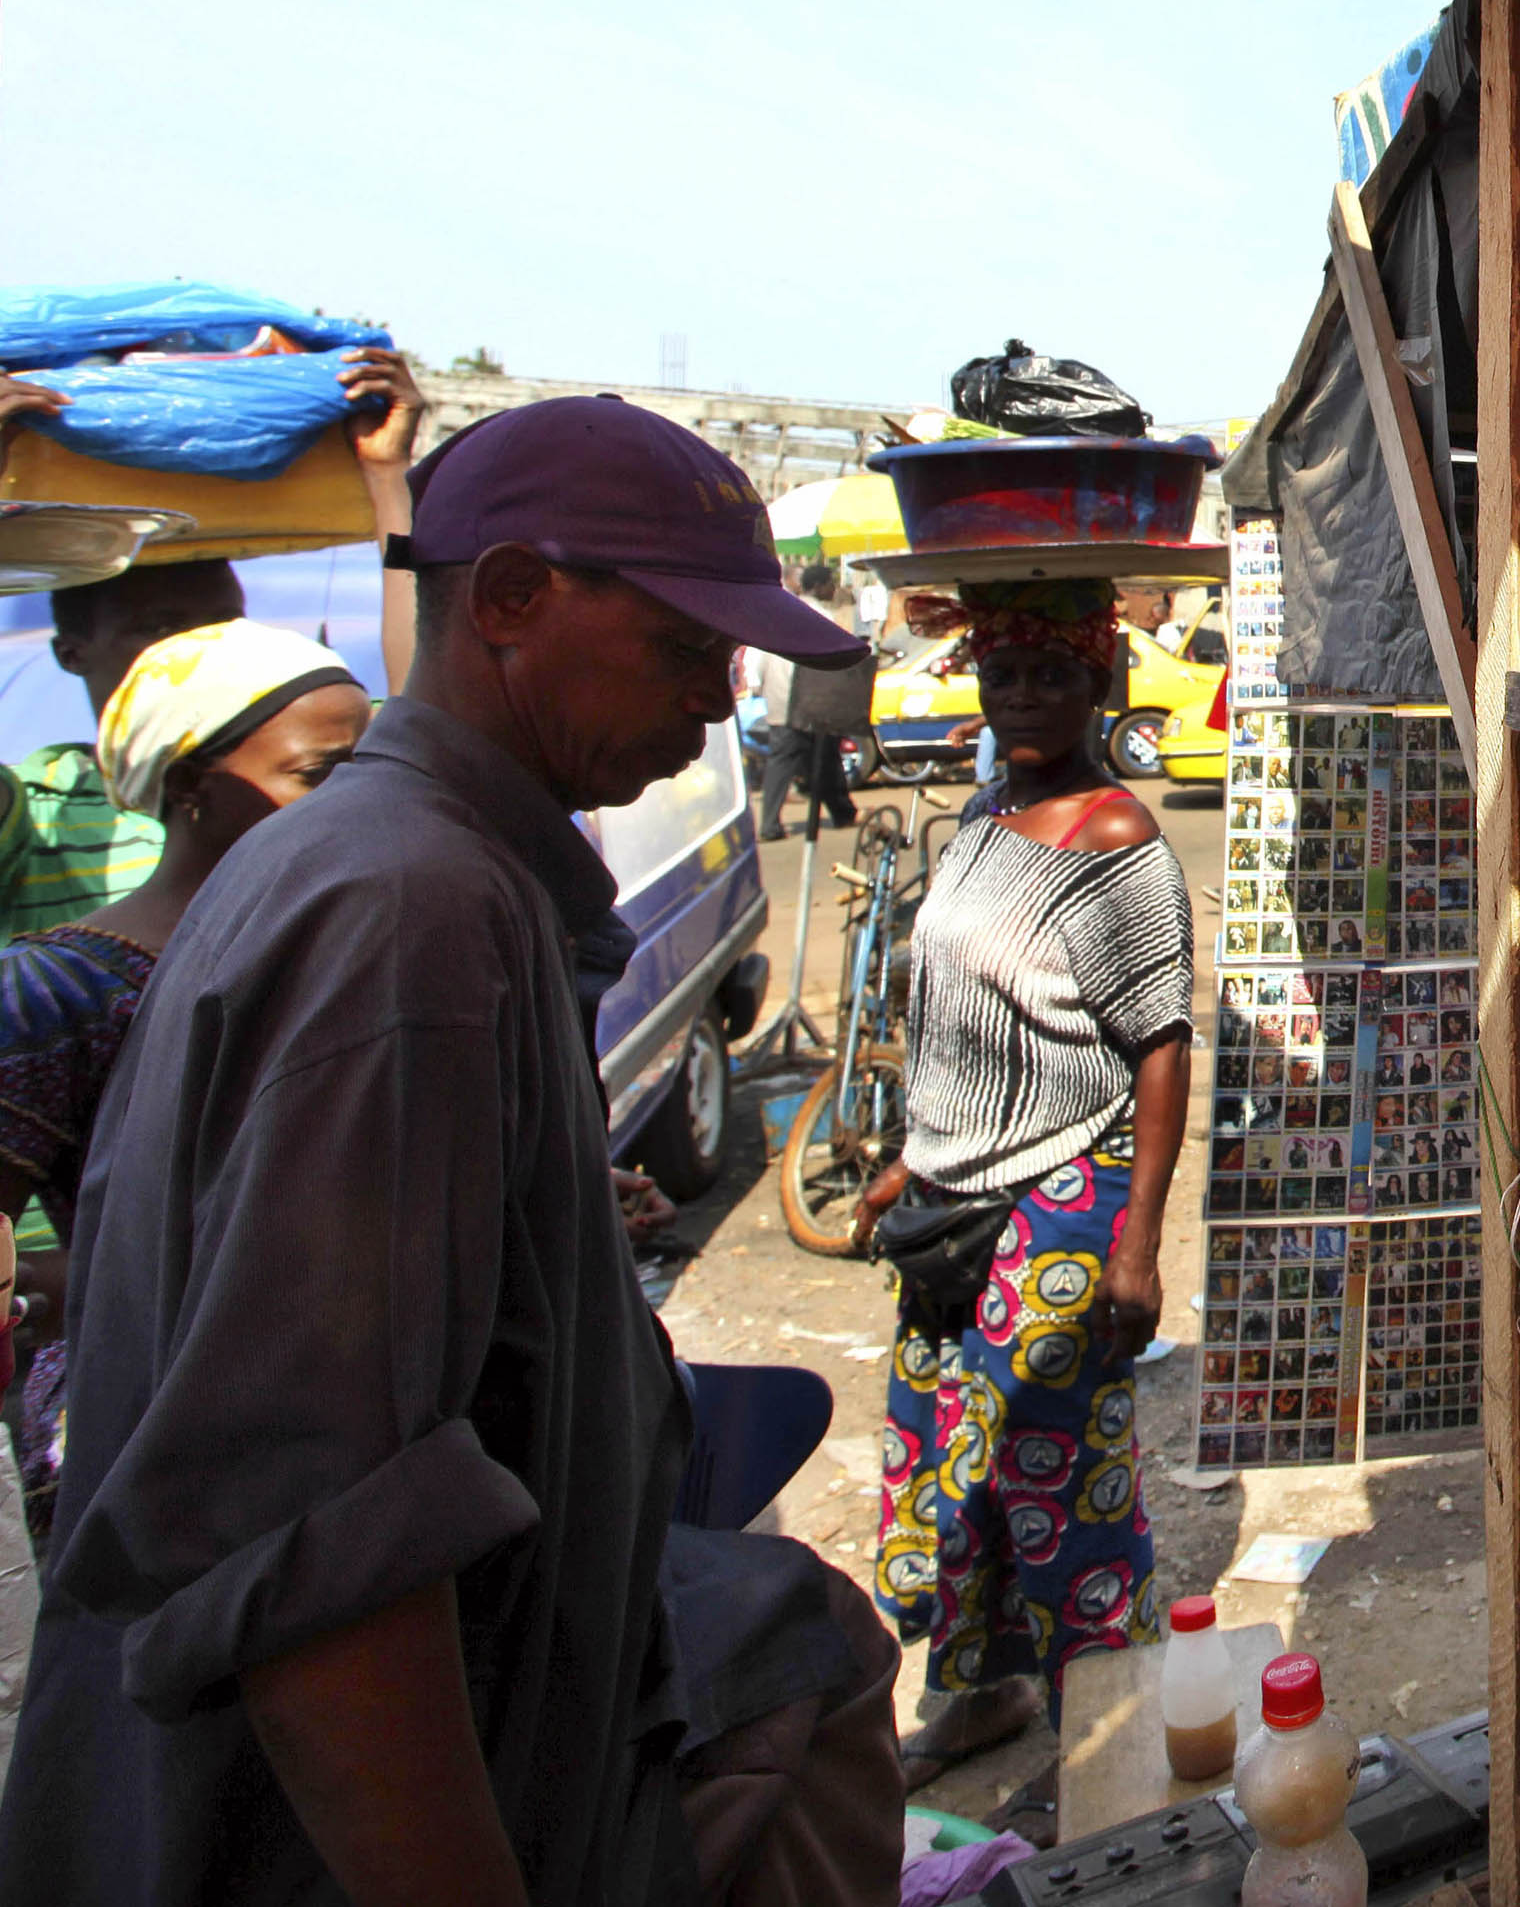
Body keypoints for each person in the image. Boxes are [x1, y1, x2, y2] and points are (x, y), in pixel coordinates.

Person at [0, 396, 895, 1907]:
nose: (718, 699)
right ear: (509, 600)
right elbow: (317, 1553)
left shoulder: (407, 869)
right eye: (685, 648)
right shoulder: (407, 912)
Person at [867, 578, 1194, 1793]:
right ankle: (981, 1688)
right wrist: (915, 1147)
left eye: (1051, 676)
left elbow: (1160, 1041)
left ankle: (1108, 1726)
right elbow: (958, 1006)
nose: (1023, 697)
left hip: (1063, 1190)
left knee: (1048, 1464)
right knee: (947, 1458)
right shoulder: (986, 813)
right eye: (1003, 674)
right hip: (953, 1189)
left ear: (1098, 681)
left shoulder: (1117, 841)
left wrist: (1139, 1243)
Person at [0, 620, 369, 1544]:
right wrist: (86, 1281)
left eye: (374, 774)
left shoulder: (345, 949)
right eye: (318, 777)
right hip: (146, 1440)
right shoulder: (59, 990)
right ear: (187, 788)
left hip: (346, 1410)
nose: (357, 807)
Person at [3, 349, 424, 937]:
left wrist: (386, 475)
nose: (210, 647)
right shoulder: (39, 816)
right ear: (70, 653)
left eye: (225, 620)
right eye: (160, 627)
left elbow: (421, 703)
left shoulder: (326, 763)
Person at [757, 568, 871, 839]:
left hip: (779, 699)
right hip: (809, 700)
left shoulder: (780, 613)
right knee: (824, 756)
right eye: (830, 583)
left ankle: (771, 824)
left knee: (785, 762)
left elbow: (761, 660)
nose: (834, 589)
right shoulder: (824, 616)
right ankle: (843, 813)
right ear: (819, 586)